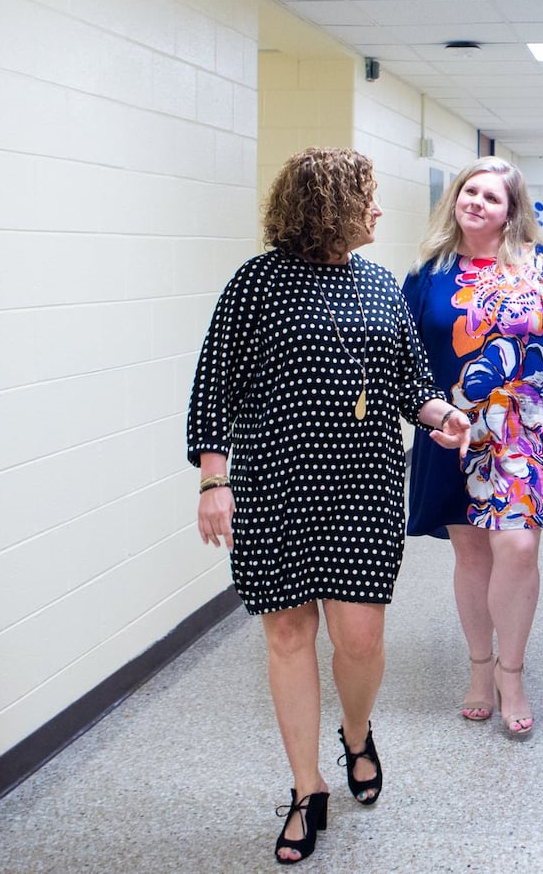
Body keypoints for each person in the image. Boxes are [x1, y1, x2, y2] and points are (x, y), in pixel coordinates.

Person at [187, 146, 471, 864]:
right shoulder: (256, 285)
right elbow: (211, 388)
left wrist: (444, 416)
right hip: (275, 484)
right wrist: (213, 481)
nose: (379, 210)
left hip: (364, 486)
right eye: (367, 197)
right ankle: (305, 785)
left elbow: (413, 382)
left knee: (359, 639)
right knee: (286, 632)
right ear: (329, 205)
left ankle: (354, 730)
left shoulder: (380, 286)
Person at [404, 159, 543, 738]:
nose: (476, 203)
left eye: (491, 197)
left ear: (511, 211)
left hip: (523, 430)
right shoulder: (429, 273)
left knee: (516, 548)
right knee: (471, 554)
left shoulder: (542, 268)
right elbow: (406, 358)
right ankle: (479, 668)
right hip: (452, 427)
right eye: (470, 192)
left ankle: (511, 674)